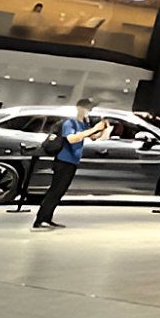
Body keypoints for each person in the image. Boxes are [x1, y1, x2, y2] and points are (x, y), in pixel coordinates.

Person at [33, 98, 113, 230]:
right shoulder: (70, 122)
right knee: (55, 191)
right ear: (79, 108)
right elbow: (71, 138)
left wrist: (103, 129)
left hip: (72, 161)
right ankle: (40, 220)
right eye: (88, 108)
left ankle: (47, 219)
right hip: (63, 160)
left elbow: (92, 137)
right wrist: (93, 129)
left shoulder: (82, 123)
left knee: (59, 192)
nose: (89, 111)